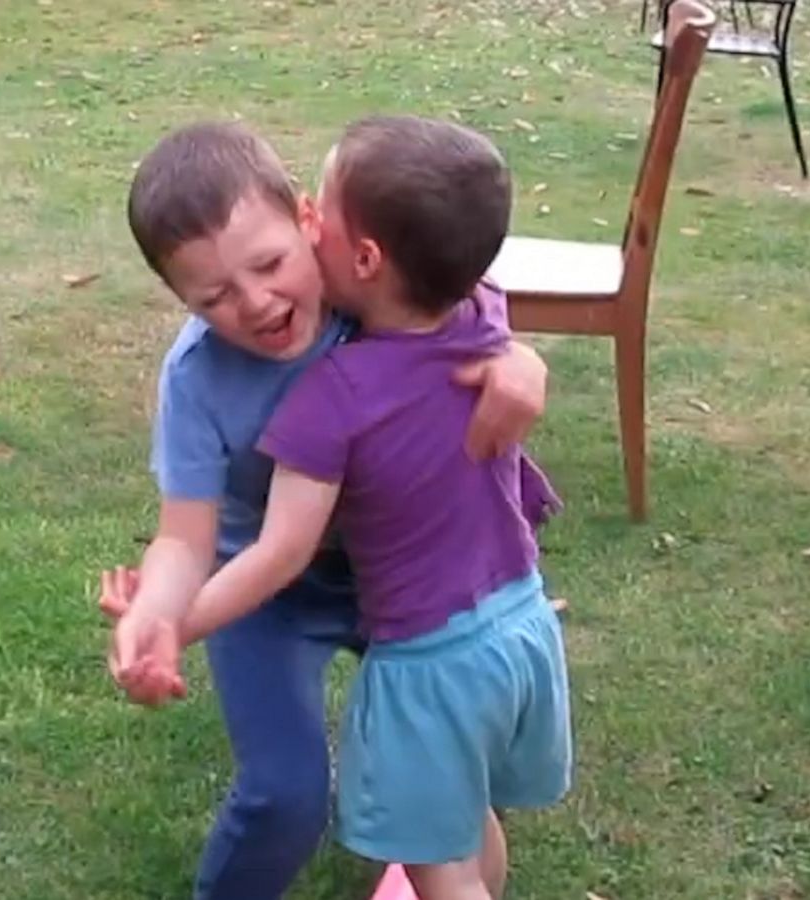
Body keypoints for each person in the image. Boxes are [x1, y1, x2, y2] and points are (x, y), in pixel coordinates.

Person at [100, 120, 554, 900]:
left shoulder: (365, 287)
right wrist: (160, 623)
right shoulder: (197, 382)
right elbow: (185, 535)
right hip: (263, 591)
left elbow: (466, 292)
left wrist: (520, 361)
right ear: (181, 298)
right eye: (213, 296)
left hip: (410, 588)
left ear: (310, 222)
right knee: (287, 793)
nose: (257, 301)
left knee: (452, 757)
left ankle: (430, 866)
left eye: (271, 263)